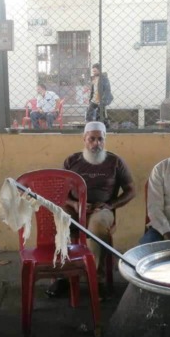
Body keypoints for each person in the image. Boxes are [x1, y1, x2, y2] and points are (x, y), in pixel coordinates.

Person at [47, 121, 136, 298]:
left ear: (105, 140)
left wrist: (110, 205)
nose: (96, 143)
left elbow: (131, 190)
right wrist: (74, 204)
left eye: (100, 139)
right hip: (74, 208)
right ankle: (63, 276)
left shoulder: (115, 162)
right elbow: (59, 191)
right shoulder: (72, 160)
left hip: (102, 210)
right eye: (92, 139)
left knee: (97, 227)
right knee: (59, 222)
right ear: (84, 139)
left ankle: (97, 280)